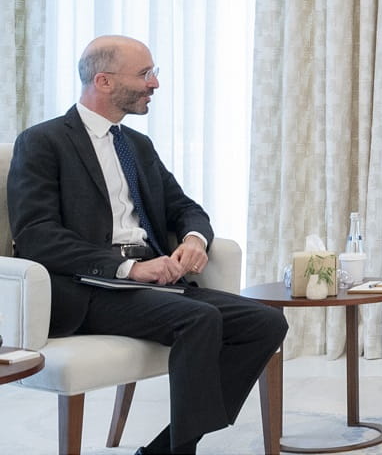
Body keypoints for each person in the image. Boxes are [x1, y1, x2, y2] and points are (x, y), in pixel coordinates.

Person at [7, 36, 287, 455]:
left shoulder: (135, 145)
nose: (154, 83)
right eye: (144, 74)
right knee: (199, 320)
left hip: (152, 282)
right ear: (103, 81)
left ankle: (163, 450)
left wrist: (194, 240)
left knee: (265, 323)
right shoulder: (43, 142)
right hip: (88, 287)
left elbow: (185, 208)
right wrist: (128, 269)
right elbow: (36, 236)